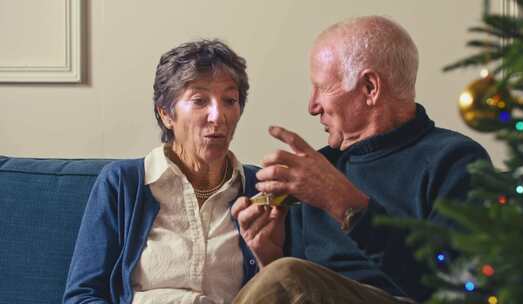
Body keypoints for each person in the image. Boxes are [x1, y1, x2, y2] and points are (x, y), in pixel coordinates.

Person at [231, 16, 490, 303]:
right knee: (283, 273)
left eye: (322, 87)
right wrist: (271, 255)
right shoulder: (316, 169)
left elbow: (457, 286)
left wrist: (344, 204)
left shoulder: (455, 161)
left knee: (286, 277)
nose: (312, 106)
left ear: (370, 88)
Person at [63, 39, 278, 303]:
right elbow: (82, 296)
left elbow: (288, 288)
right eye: (199, 100)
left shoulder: (260, 188)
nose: (218, 115)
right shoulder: (122, 183)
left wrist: (268, 256)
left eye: (230, 100)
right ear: (165, 113)